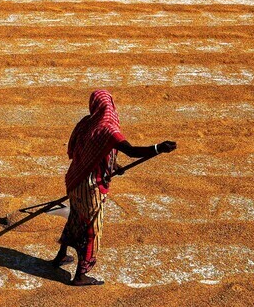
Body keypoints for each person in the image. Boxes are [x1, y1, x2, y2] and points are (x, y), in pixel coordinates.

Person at [52, 90, 176, 286]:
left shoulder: (86, 123)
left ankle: (61, 256)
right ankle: (81, 275)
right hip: (91, 187)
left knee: (75, 218)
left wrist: (112, 166)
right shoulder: (108, 129)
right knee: (92, 229)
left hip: (74, 180)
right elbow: (132, 151)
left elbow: (84, 151)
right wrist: (158, 148)